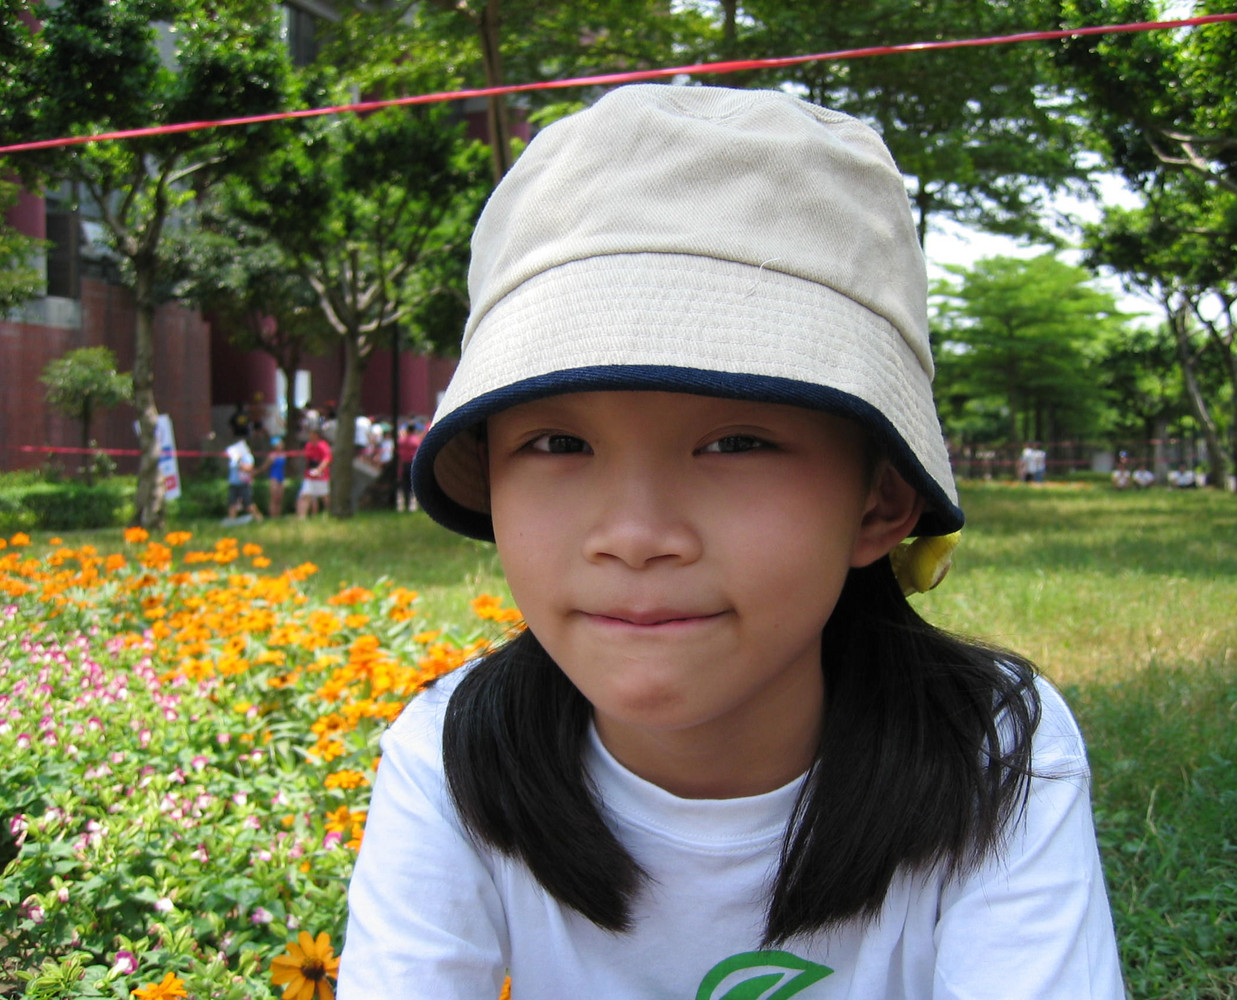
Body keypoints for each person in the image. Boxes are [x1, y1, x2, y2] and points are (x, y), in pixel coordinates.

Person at [338, 86, 1124, 999]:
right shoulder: (452, 757)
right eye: (556, 443)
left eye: (737, 443)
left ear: (879, 502)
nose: (634, 537)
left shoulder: (988, 752)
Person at [223, 439, 262, 524]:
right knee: (232, 503)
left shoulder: (247, 457)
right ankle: (231, 522)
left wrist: (240, 461)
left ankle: (259, 519)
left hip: (244, 484)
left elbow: (248, 468)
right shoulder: (233, 457)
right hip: (233, 484)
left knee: (248, 504)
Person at [296, 426, 331, 518]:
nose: (309, 435)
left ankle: (330, 514)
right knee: (305, 495)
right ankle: (301, 517)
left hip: (321, 476)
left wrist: (319, 470)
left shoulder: (322, 445)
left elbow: (327, 459)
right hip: (309, 475)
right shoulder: (308, 445)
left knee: (325, 496)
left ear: (316, 435)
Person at [259, 436, 288, 518]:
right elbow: (265, 466)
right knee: (274, 498)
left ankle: (278, 516)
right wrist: (257, 471)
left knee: (280, 498)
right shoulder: (272, 456)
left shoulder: (284, 455)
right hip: (274, 477)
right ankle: (273, 516)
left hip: (281, 477)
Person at [396, 421, 422, 511]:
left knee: (405, 485)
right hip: (413, 464)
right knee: (414, 484)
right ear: (414, 430)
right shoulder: (416, 441)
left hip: (403, 464)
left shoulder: (401, 441)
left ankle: (406, 503)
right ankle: (414, 504)